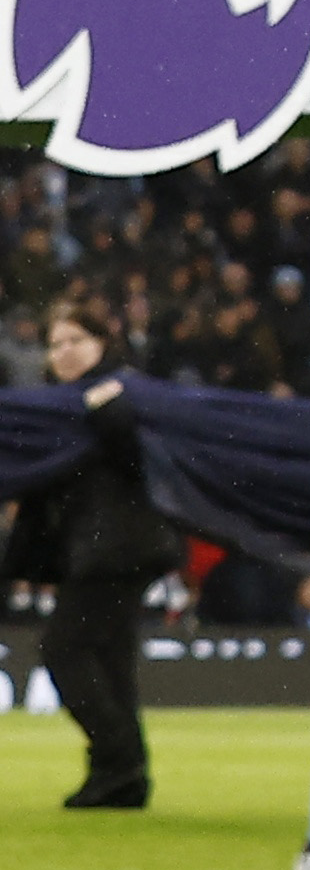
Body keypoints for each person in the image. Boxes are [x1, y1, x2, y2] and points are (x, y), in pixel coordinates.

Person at [20, 310, 166, 810]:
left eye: (74, 340)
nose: (63, 351)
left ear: (103, 342)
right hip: (108, 548)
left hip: (114, 548)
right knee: (110, 661)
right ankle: (121, 775)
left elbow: (135, 459)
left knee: (64, 651)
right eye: (54, 343)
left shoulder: (118, 395)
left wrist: (106, 410)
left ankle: (118, 760)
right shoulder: (66, 408)